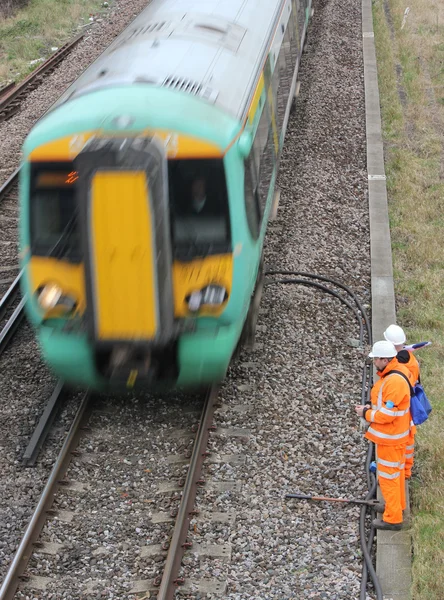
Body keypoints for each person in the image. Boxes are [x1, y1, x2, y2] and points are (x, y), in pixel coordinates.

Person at [355, 340, 411, 530]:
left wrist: (366, 414)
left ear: (385, 360)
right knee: (395, 476)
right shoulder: (393, 375)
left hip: (391, 438)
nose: (374, 363)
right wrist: (370, 408)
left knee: (388, 479)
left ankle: (393, 519)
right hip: (394, 437)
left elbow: (387, 415)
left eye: (376, 359)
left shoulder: (393, 381)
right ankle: (396, 507)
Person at [383, 324, 419, 479]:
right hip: (409, 403)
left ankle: (403, 471)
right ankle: (406, 470)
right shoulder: (409, 357)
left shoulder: (401, 363)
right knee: (409, 438)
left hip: (403, 406)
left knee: (405, 439)